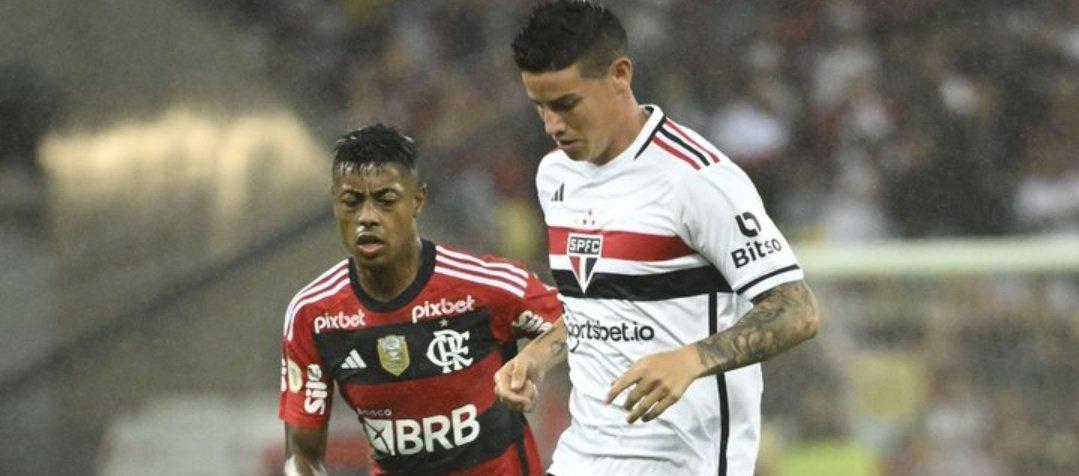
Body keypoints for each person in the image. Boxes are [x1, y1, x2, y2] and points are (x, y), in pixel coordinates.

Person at [494, 2, 821, 475]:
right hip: (582, 457)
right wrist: (538, 356)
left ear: (619, 74)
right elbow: (598, 307)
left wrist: (692, 359)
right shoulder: (554, 176)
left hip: (687, 463)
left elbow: (798, 310)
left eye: (566, 104)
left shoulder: (696, 179)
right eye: (540, 106)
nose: (552, 125)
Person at [280, 124, 562, 476]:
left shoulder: (486, 287)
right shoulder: (313, 315)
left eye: (385, 200)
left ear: (417, 201)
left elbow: (584, 322)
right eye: (351, 202)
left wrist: (535, 359)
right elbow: (302, 454)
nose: (367, 217)